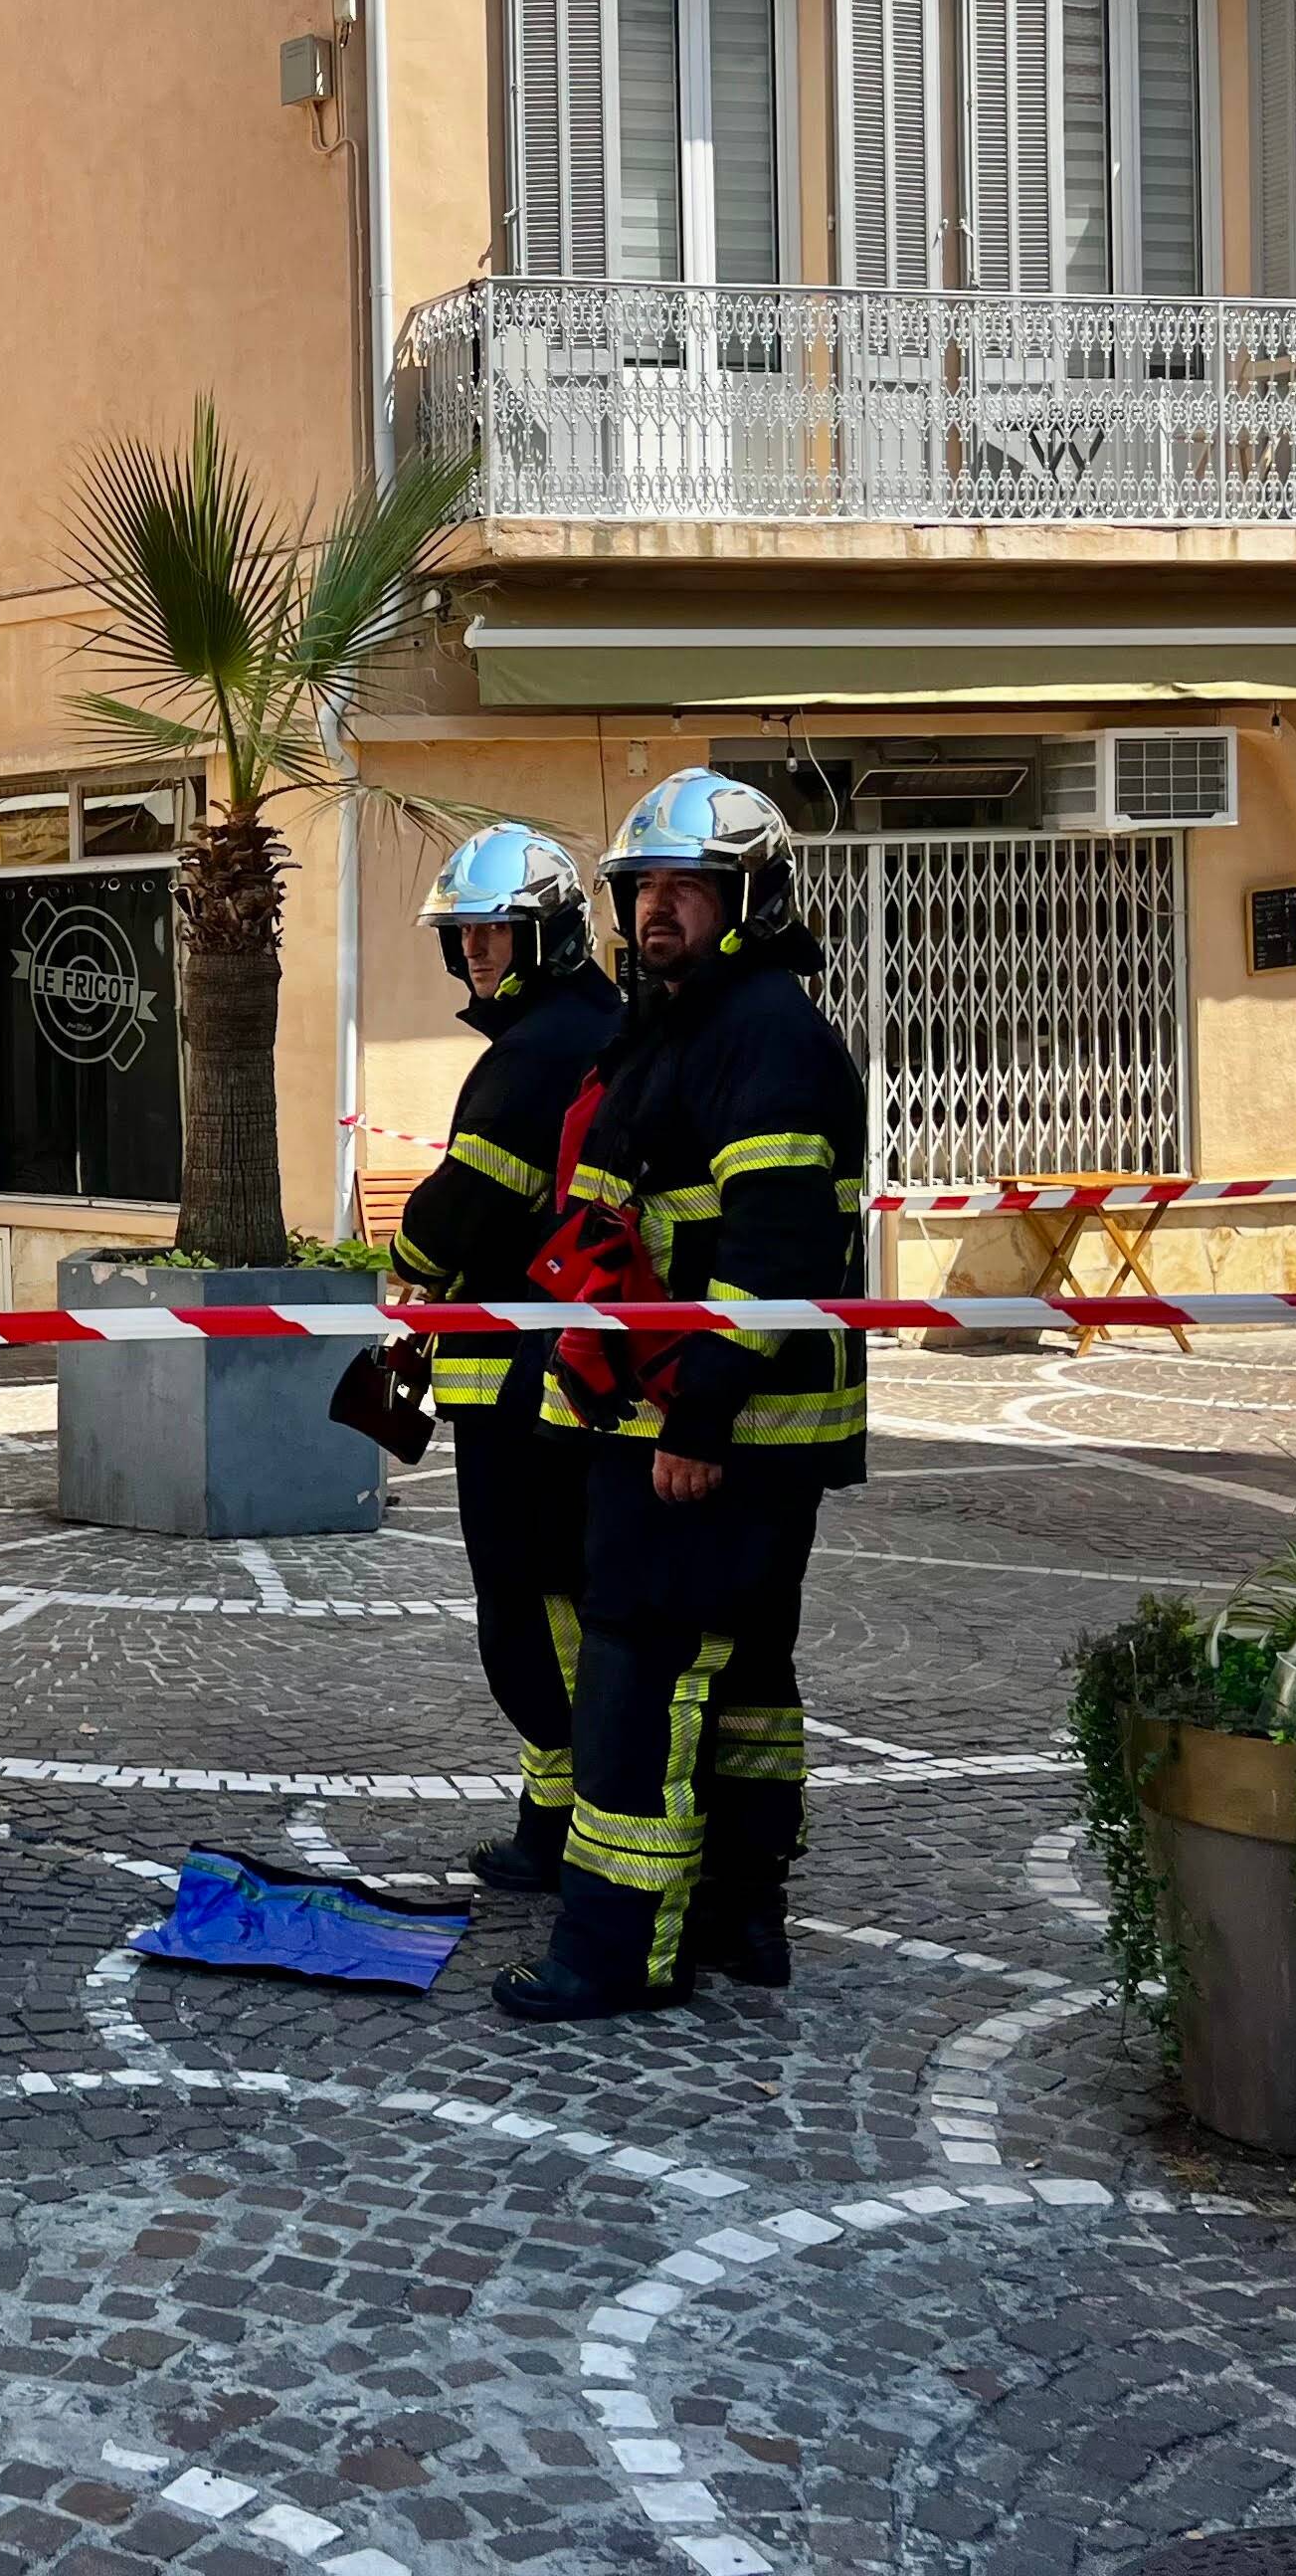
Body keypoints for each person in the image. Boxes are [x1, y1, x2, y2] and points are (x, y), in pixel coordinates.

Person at [495, 769, 865, 2025]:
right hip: (708, 1421)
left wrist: (700, 1418)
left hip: (708, 1429)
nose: (659, 910)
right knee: (748, 1675)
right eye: (644, 887)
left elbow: (774, 1248)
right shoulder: (688, 1024)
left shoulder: (763, 1034)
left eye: (687, 888)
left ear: (749, 897)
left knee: (638, 1674)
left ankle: (613, 1949)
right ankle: (739, 1912)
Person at [391, 825, 624, 1894]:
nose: (475, 955)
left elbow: (451, 1218)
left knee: (528, 1607)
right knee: (570, 1591)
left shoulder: (529, 1056)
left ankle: (565, 1815)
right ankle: (560, 1808)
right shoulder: (599, 1027)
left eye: (492, 934)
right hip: (578, 1373)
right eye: (466, 936)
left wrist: (403, 1255)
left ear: (548, 934)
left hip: (516, 1380)